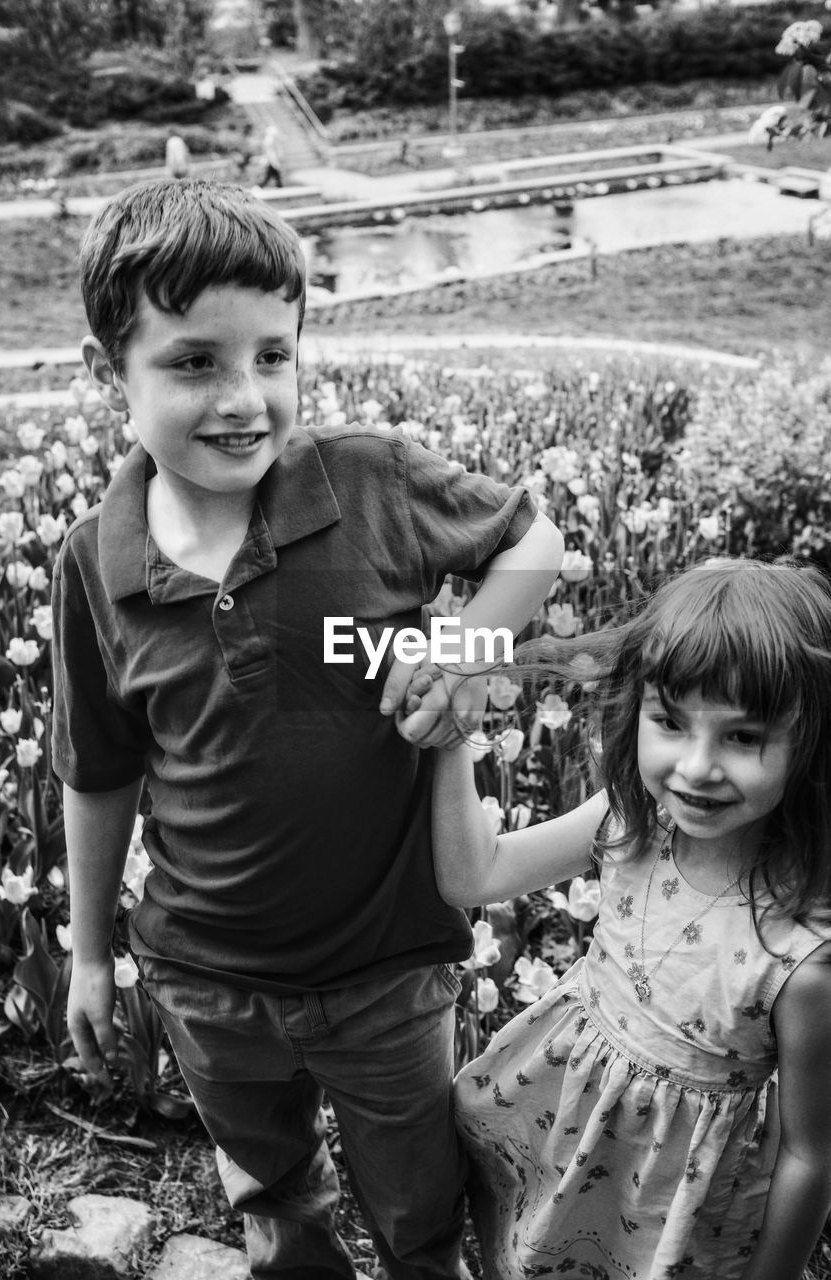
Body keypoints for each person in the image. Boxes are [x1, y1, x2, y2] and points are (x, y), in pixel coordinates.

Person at [51, 178, 564, 1280]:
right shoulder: (96, 558)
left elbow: (535, 541)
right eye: (194, 361)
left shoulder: (370, 482)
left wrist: (464, 648)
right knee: (275, 1201)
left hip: (385, 971)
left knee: (419, 1207)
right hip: (202, 976)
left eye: (272, 355)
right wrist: (90, 953)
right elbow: (97, 773)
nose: (244, 397)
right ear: (110, 375)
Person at [431, 560, 831, 1280]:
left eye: (743, 737)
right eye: (669, 723)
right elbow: (475, 874)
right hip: (561, 1127)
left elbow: (811, 1153)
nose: (697, 767)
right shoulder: (629, 824)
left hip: (676, 1195)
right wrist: (448, 733)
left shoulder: (801, 956)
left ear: (810, 741)